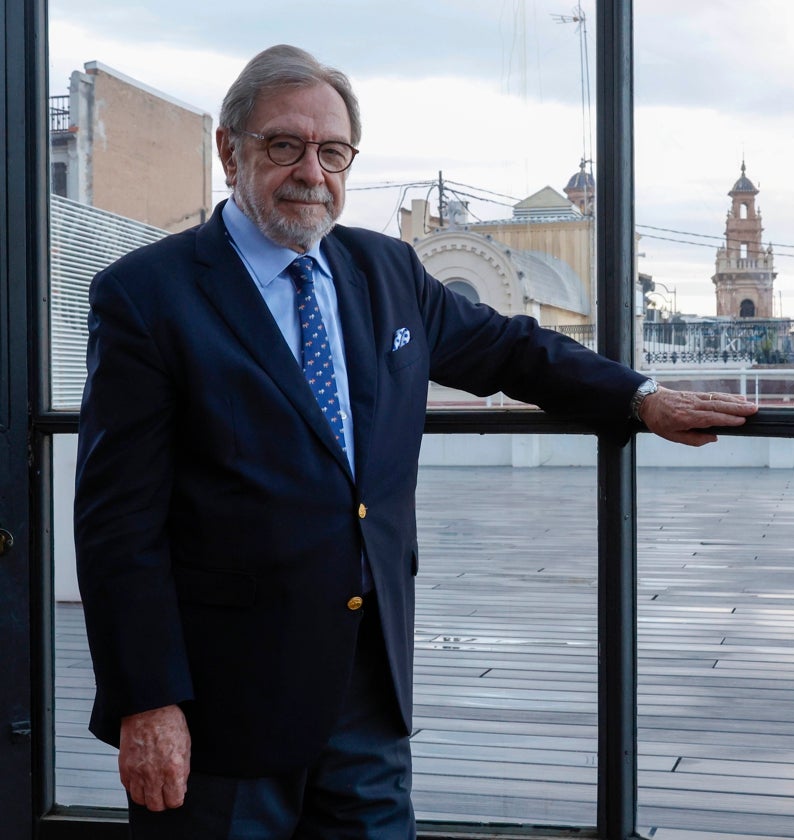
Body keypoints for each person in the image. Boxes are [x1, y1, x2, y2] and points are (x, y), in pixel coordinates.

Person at [74, 44, 756, 839]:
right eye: (284, 145)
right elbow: (117, 521)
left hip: (367, 692)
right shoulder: (147, 294)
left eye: (333, 153)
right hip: (221, 710)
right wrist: (148, 701)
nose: (311, 172)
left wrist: (640, 397)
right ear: (230, 150)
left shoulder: (385, 269)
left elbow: (512, 349)